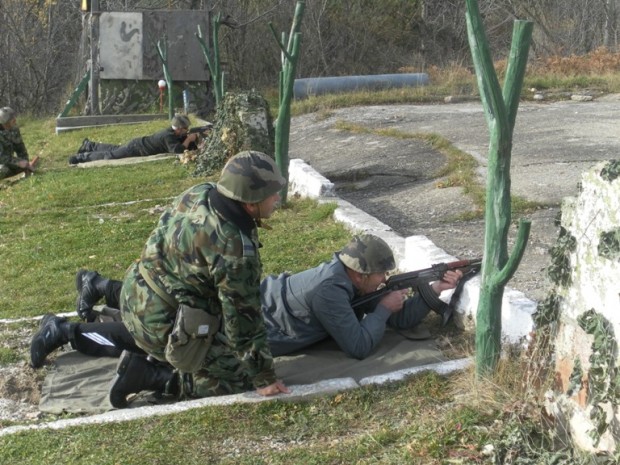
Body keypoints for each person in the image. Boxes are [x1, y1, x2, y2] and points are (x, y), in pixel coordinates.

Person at [34, 150, 291, 408]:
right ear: (250, 201)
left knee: (157, 326)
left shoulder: (200, 193)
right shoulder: (235, 250)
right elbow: (242, 324)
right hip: (163, 321)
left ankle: (88, 309)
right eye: (272, 193)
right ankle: (152, 377)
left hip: (136, 288)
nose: (277, 198)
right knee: (239, 377)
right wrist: (263, 377)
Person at [32, 235, 462, 384]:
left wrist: (430, 292)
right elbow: (361, 346)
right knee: (163, 336)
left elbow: (388, 317)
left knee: (165, 312)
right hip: (245, 323)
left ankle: (99, 290)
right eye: (380, 277)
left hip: (250, 304)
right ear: (361, 274)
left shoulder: (342, 277)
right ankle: (67, 332)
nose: (385, 282)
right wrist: (386, 309)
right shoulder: (331, 294)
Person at [68, 114, 202, 165]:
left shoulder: (172, 133)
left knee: (114, 149)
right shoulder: (168, 136)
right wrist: (189, 139)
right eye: (185, 128)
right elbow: (178, 150)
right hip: (137, 149)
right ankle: (81, 157)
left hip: (137, 144)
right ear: (178, 128)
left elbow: (181, 140)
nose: (187, 131)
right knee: (110, 156)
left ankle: (90, 145)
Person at [0, 106, 39, 179]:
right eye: (12, 120)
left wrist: (26, 165)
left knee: (25, 164)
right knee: (2, 170)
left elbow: (20, 148)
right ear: (4, 123)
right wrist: (18, 162)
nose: (15, 120)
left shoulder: (14, 129)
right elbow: (1, 157)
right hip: (2, 163)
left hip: (8, 162)